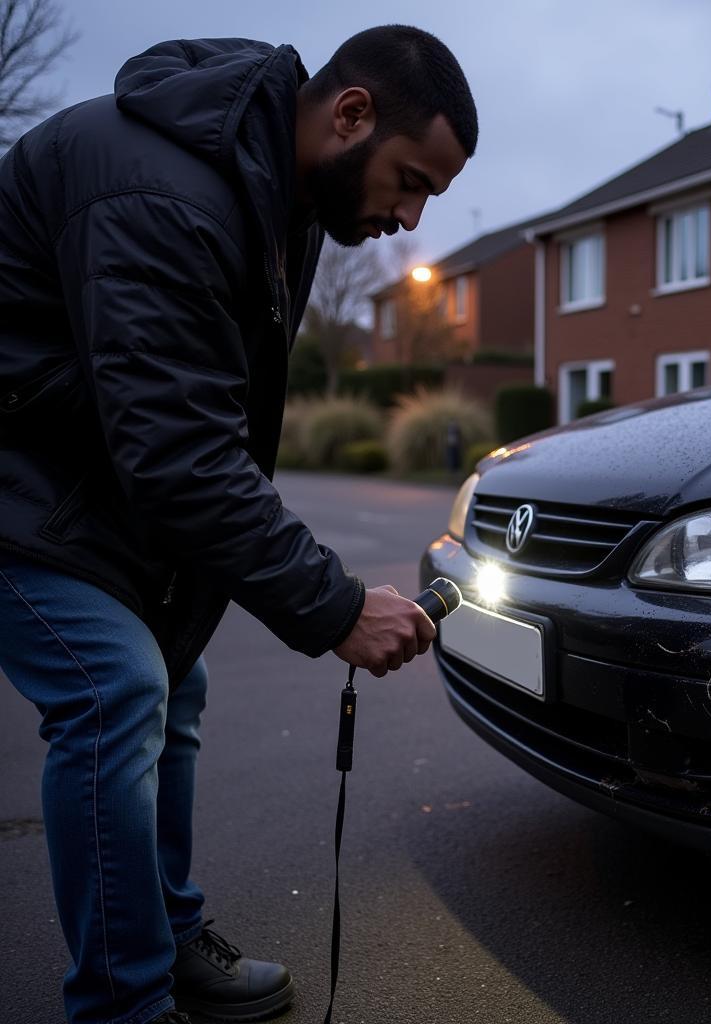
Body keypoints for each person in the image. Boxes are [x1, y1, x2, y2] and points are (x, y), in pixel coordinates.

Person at [0, 24, 477, 1024]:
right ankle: (123, 1005)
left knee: (178, 671)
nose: (411, 214)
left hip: (84, 467)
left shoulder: (278, 198)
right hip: (23, 473)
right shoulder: (163, 195)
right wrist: (336, 603)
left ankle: (167, 940)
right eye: (409, 178)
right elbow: (179, 451)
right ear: (350, 115)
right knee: (114, 687)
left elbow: (195, 414)